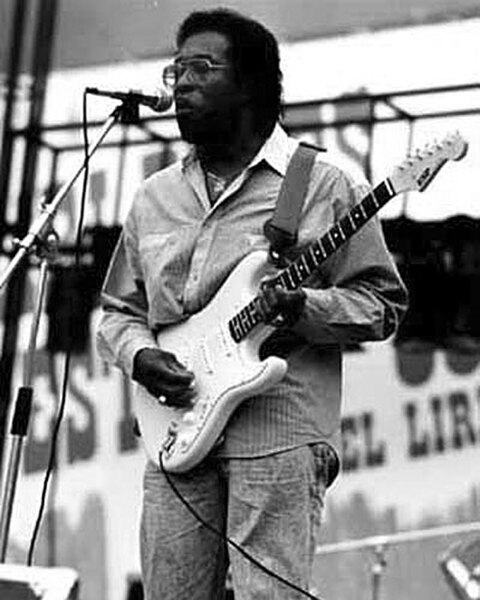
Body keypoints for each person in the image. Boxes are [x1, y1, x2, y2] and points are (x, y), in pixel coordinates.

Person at [96, 8, 408, 600]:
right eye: (176, 70)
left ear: (253, 85)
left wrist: (304, 308)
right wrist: (140, 358)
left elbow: (381, 304)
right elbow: (118, 310)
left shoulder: (322, 186)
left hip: (278, 430)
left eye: (200, 68)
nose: (180, 84)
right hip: (176, 431)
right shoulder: (154, 197)